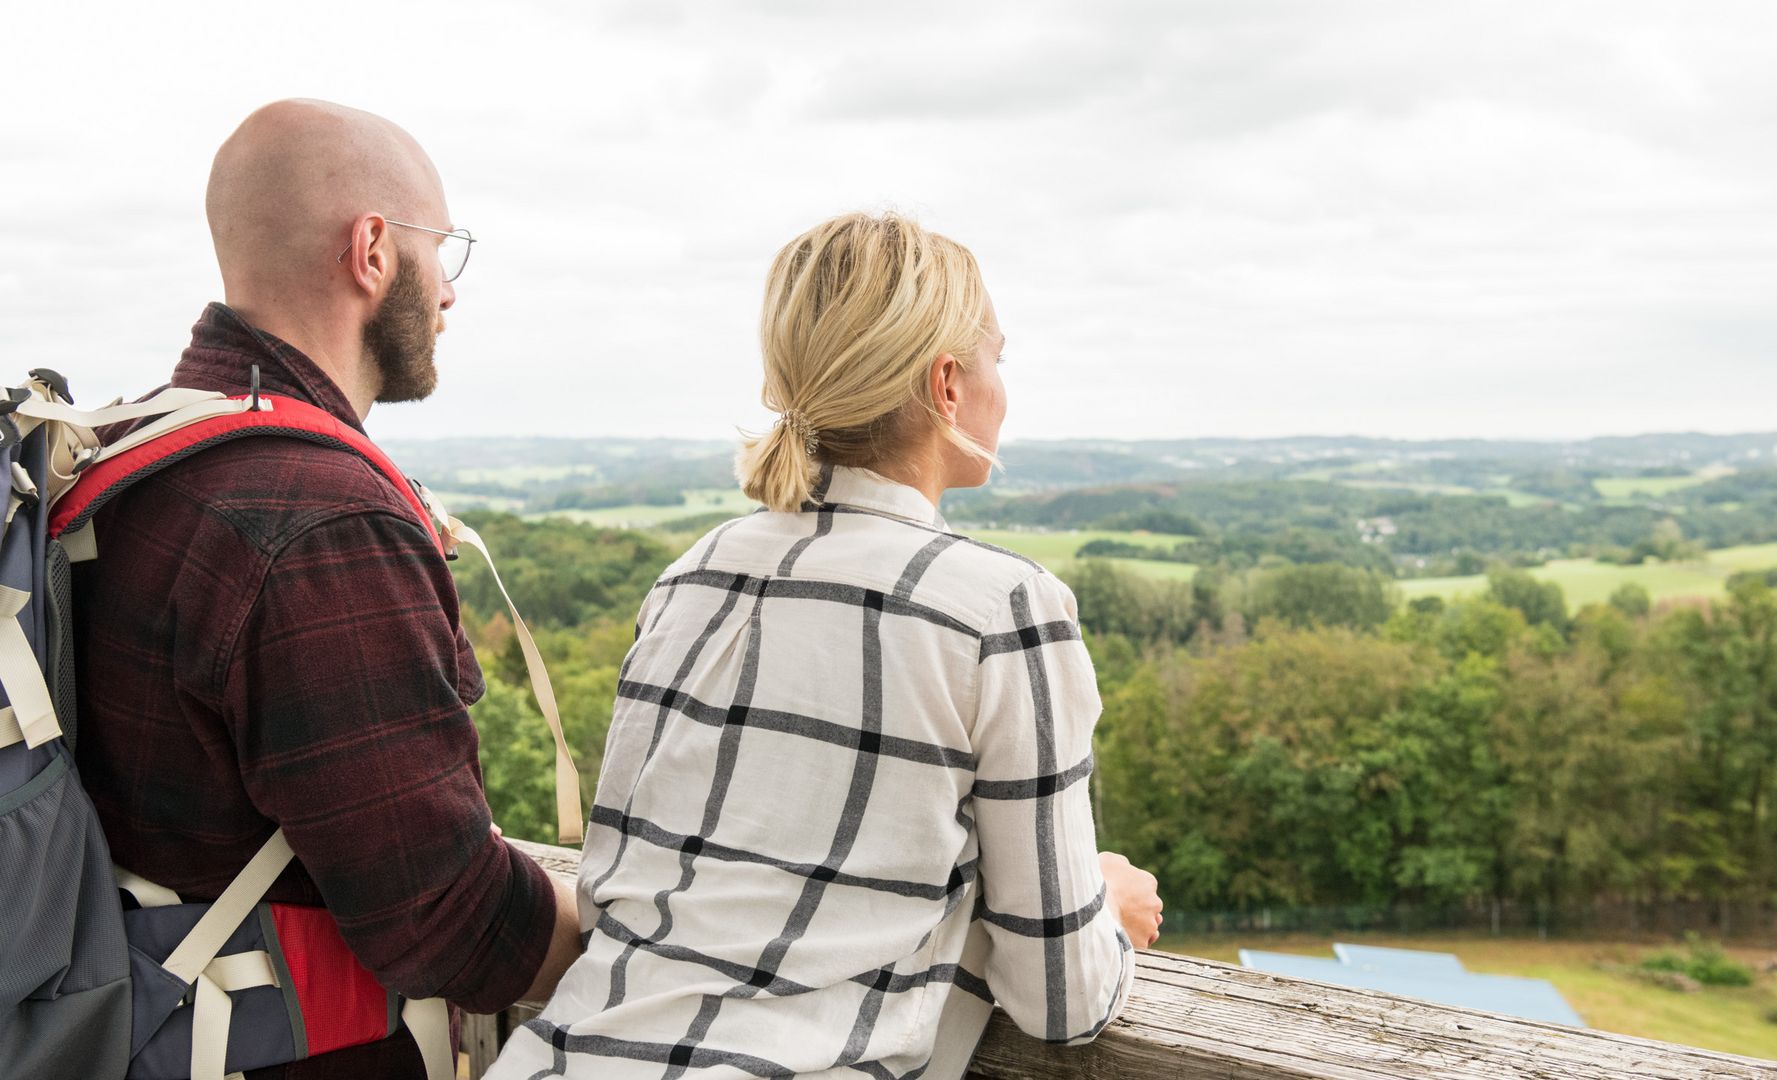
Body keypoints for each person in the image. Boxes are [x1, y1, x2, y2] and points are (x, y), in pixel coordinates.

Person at [486, 212, 1161, 1080]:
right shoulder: (1004, 612)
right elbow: (1061, 999)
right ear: (948, 383)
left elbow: (636, 892)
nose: (1004, 385)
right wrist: (1105, 906)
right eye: (1000, 356)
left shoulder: (694, 576)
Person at [73, 99, 580, 1078]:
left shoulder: (119, 454)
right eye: (446, 252)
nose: (450, 294)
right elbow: (452, 923)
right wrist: (647, 934)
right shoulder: (323, 522)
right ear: (375, 250)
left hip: (120, 1026)